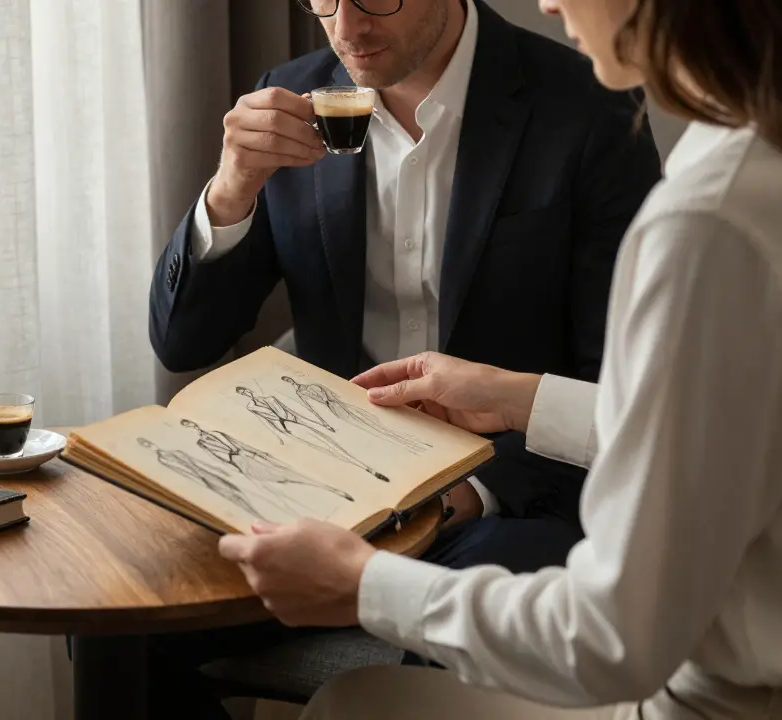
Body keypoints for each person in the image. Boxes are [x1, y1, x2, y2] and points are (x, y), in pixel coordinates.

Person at [217, 0, 782, 716]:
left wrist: (363, 585)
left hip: (722, 699)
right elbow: (727, 429)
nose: (547, 1)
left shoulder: (707, 221)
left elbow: (612, 641)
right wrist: (524, 399)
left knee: (354, 704)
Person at [145, 0, 661, 714]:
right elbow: (182, 343)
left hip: (506, 506)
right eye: (322, 0)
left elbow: (622, 383)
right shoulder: (292, 99)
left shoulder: (591, 107)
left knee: (466, 614)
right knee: (135, 601)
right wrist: (231, 190)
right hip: (319, 499)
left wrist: (466, 493)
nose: (345, 28)